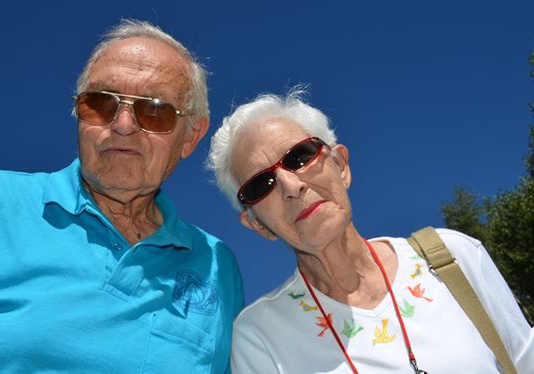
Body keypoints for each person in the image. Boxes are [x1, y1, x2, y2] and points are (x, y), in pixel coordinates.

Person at [0, 19, 244, 373]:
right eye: (100, 103)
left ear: (191, 136)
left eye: (153, 110)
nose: (123, 125)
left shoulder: (217, 267)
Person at [206, 90, 533, 373]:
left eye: (299, 156)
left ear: (342, 166)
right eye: (261, 184)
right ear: (257, 224)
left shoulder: (453, 258)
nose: (292, 185)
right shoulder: (260, 336)